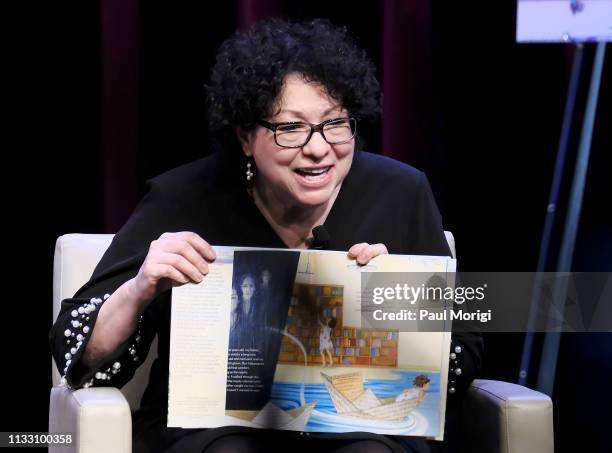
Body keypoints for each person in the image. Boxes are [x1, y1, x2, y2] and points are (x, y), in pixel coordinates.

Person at [50, 18, 482, 453]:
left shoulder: (401, 192)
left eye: (335, 123)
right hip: (212, 432)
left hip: (358, 430)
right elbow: (79, 356)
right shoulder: (181, 198)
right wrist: (140, 289)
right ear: (245, 136)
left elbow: (461, 355)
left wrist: (398, 308)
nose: (318, 148)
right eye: (290, 128)